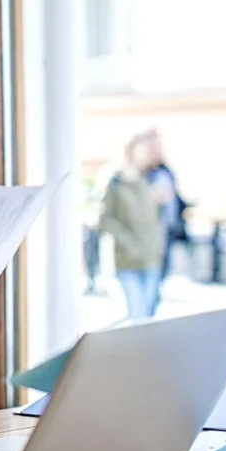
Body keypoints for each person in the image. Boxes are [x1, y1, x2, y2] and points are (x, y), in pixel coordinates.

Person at [99, 135, 165, 319]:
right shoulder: (115, 183)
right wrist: (127, 242)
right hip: (127, 259)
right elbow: (105, 219)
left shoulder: (147, 181)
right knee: (137, 314)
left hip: (151, 258)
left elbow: (153, 219)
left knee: (148, 316)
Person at [141, 128, 189, 289]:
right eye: (154, 145)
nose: (158, 149)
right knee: (152, 272)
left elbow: (174, 194)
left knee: (162, 273)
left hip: (167, 228)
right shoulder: (142, 173)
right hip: (151, 230)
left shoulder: (164, 170)